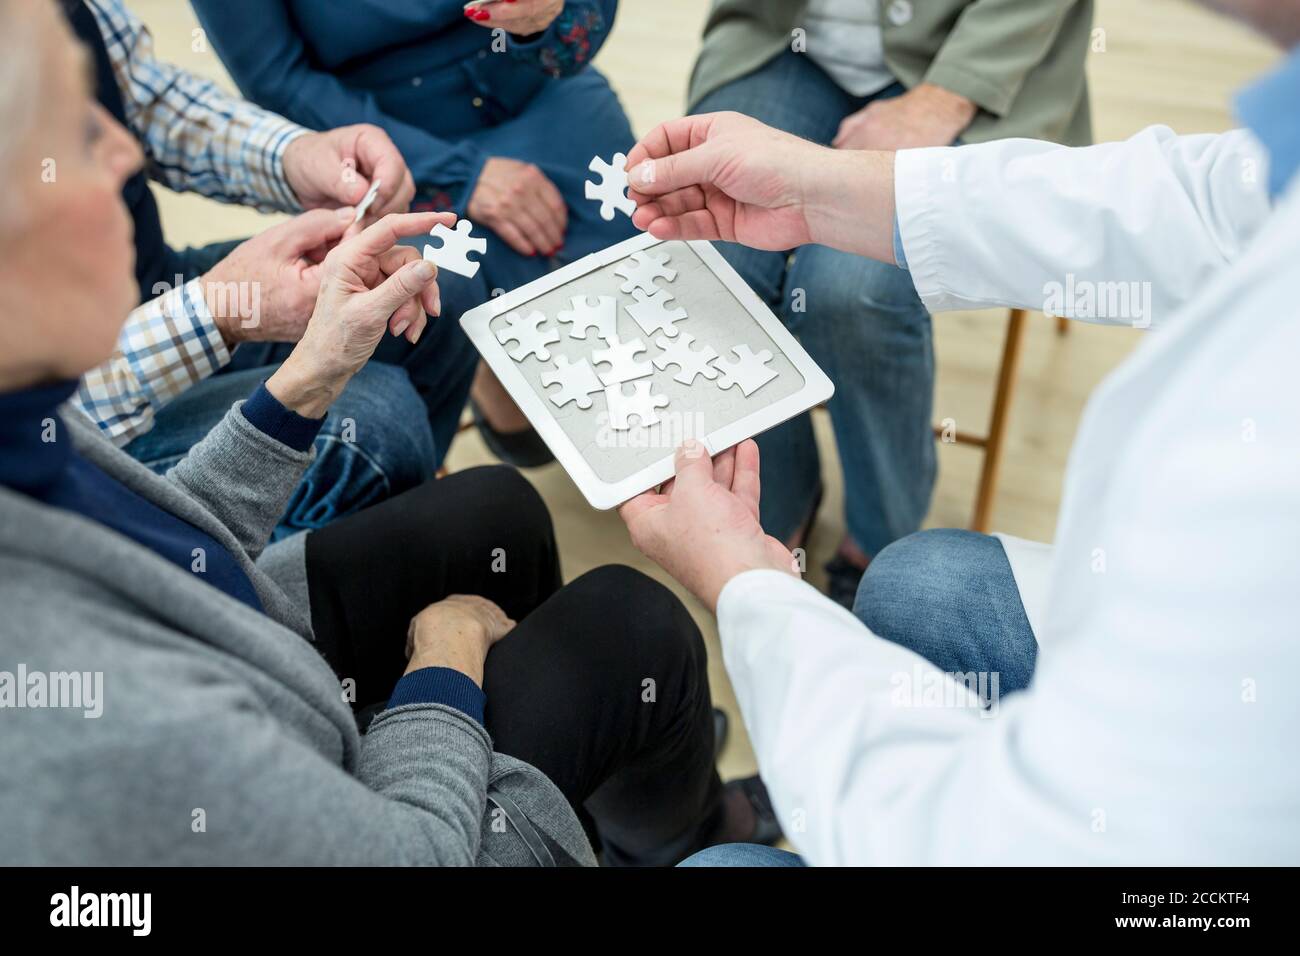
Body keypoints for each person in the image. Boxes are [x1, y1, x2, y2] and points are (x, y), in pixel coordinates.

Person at [0, 0, 749, 866]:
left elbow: (157, 541)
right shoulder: (99, 728)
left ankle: (596, 788)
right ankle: (673, 832)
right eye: (67, 139)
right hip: (354, 794)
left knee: (492, 509)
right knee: (634, 624)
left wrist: (301, 385)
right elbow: (410, 854)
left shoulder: (28, 427)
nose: (127, 153)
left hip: (242, 635)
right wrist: (445, 666)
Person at [616, 0, 1298, 864]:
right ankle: (799, 525)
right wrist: (820, 189)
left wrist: (749, 590)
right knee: (918, 584)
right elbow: (1184, 205)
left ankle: (826, 544)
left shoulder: (1260, 465)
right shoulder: (1277, 159)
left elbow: (985, 838)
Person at [688, 0, 1095, 606]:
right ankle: (775, 502)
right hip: (781, 39)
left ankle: (881, 539)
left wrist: (945, 97)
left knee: (851, 297)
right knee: (715, 273)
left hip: (973, 58)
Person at [68, 0, 483, 539]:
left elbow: (148, 102)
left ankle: (376, 542)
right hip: (64, 422)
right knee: (374, 425)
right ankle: (273, 588)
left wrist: (295, 156)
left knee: (436, 291)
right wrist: (218, 311)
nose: (118, 157)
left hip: (146, 288)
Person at [189, 0, 641, 464]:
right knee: (503, 366)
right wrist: (461, 176)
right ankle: (490, 388)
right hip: (390, 146)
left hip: (542, 88)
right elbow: (275, 80)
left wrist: (547, 18)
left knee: (653, 283)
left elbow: (587, 14)